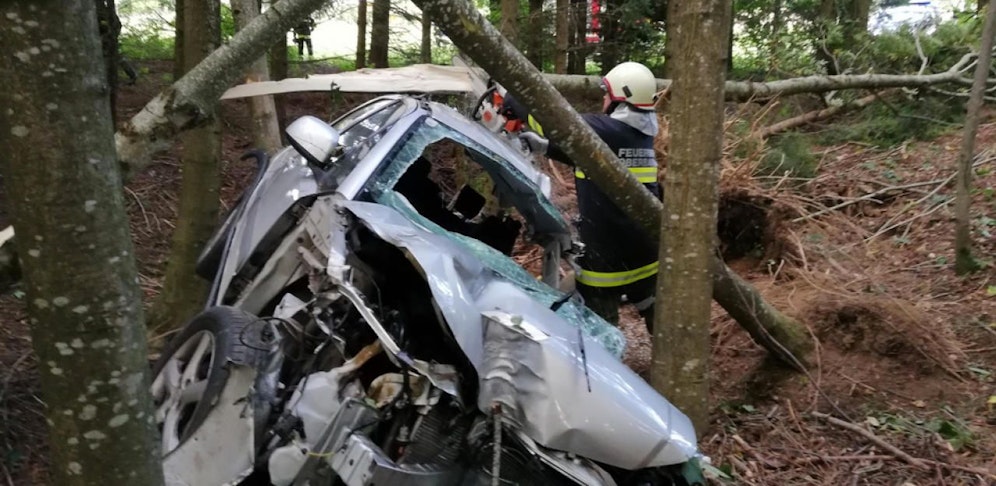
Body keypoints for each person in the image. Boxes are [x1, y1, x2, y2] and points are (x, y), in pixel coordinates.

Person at [504, 62, 662, 332]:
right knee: (659, 319)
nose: (604, 98)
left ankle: (608, 371)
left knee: (602, 334)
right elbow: (591, 155)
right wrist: (546, 147)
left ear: (620, 97)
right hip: (647, 255)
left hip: (607, 260)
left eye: (607, 94)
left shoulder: (603, 129)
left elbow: (552, 122)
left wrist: (511, 95)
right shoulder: (638, 135)